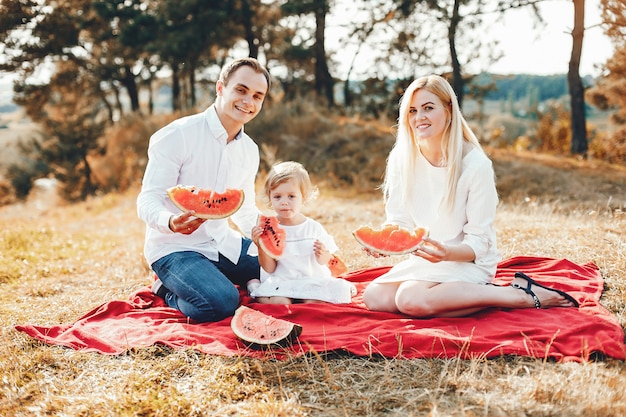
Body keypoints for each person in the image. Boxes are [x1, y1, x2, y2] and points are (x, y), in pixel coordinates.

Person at [362, 74, 579, 317]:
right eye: (412, 110)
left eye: (428, 108)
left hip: (468, 260)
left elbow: (479, 241)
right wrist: (387, 242)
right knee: (375, 297)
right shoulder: (402, 159)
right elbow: (400, 220)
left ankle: (517, 295)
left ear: (449, 110)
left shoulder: (475, 164)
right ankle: (454, 300)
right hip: (428, 259)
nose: (419, 117)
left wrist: (448, 253)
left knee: (409, 299)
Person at [136, 57, 271, 322]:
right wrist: (171, 221)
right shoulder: (178, 135)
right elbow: (148, 198)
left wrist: (277, 234)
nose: (248, 101)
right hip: (174, 248)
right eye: (241, 90)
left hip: (223, 244)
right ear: (221, 88)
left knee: (282, 269)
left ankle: (207, 277)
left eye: (257, 96)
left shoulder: (249, 150)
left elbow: (243, 209)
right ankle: (166, 289)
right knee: (221, 303)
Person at [249, 161, 356, 304]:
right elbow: (269, 268)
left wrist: (323, 255)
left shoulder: (313, 228)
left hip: (311, 281)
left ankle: (260, 290)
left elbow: (325, 261)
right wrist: (261, 246)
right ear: (270, 197)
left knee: (313, 302)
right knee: (280, 303)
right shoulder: (268, 229)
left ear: (303, 197)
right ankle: (256, 289)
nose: (284, 202)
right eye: (277, 197)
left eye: (291, 196)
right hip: (282, 281)